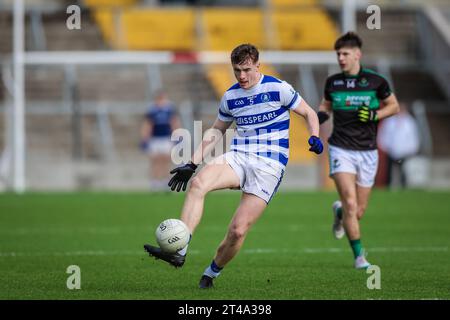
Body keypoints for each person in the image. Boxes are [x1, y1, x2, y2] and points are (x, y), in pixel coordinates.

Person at [144, 43, 324, 288]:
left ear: (258, 66)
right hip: (239, 156)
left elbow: (309, 113)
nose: (242, 76)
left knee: (237, 231)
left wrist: (314, 135)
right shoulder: (231, 96)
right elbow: (217, 130)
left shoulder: (278, 88)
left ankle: (211, 272)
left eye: (247, 69)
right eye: (237, 70)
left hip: (269, 166)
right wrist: (192, 162)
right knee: (197, 183)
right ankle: (179, 249)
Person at [317, 32, 400, 269]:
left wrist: (375, 114)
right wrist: (319, 116)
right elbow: (326, 105)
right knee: (352, 204)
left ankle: (339, 212)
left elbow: (393, 106)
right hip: (340, 148)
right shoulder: (333, 82)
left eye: (345, 54)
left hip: (368, 152)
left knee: (358, 210)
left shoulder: (376, 81)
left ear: (357, 54)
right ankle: (359, 257)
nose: (341, 58)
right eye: (338, 54)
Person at [140, 90, 181, 191]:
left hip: (166, 138)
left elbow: (174, 123)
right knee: (155, 160)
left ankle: (165, 181)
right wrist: (145, 138)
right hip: (155, 139)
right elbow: (147, 125)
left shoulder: (169, 110)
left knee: (166, 160)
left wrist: (177, 136)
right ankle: (155, 182)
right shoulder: (152, 110)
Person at [378, 103, 420, 188]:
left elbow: (413, 137)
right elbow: (383, 135)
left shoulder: (410, 122)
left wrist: (411, 149)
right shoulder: (390, 121)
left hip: (404, 152)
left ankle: (403, 186)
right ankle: (388, 187)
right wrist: (385, 147)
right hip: (391, 151)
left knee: (403, 171)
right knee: (389, 171)